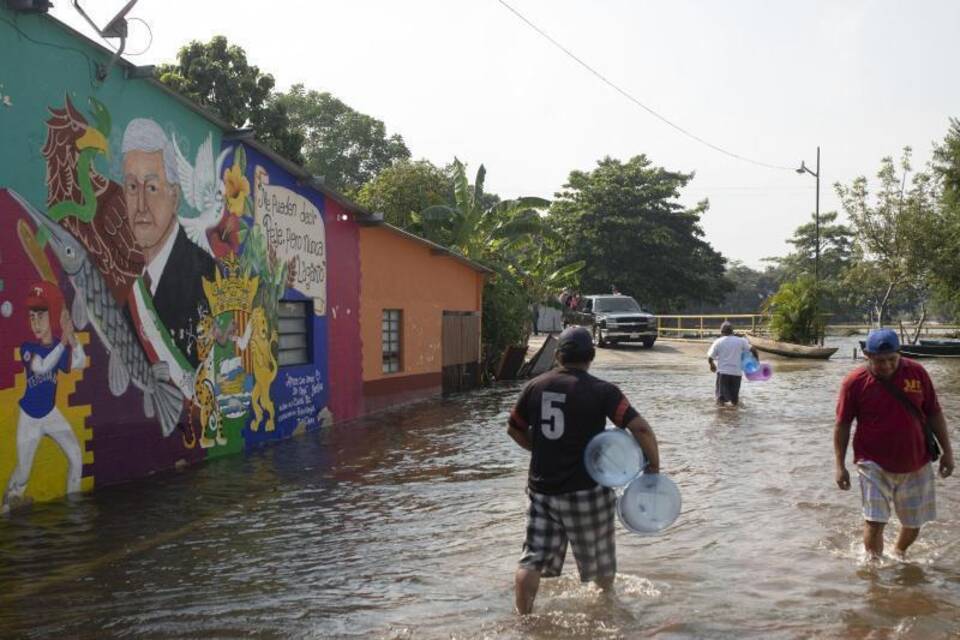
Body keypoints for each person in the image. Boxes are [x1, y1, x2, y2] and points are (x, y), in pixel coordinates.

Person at [507, 326, 661, 614]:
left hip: (541, 490)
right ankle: (603, 615)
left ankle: (523, 620)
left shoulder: (535, 386)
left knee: (532, 559)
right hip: (587, 490)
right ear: (591, 355)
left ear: (558, 356)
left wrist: (538, 449)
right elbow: (638, 427)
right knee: (600, 563)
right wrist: (653, 466)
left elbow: (514, 429)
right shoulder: (603, 391)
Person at [834, 328, 954, 559]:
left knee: (913, 523)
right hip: (873, 462)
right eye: (880, 361)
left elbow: (934, 414)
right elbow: (842, 424)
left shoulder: (917, 373)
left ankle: (898, 553)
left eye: (892, 359)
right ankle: (874, 574)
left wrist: (948, 452)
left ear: (899, 353)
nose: (887, 366)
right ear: (867, 355)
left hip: (917, 459)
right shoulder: (854, 383)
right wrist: (840, 465)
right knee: (874, 521)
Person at [121, 118, 217, 368]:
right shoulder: (125, 278)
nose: (140, 205)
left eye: (151, 188)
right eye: (132, 187)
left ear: (175, 196)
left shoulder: (207, 276)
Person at [3, 282, 86, 512]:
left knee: (76, 456)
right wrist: (63, 342)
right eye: (31, 317)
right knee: (23, 475)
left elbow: (80, 363)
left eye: (40, 315)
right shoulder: (29, 348)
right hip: (29, 418)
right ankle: (7, 507)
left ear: (52, 317)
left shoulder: (58, 350)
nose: (35, 322)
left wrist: (72, 337)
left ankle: (74, 508)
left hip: (50, 414)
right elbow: (41, 368)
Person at [707, 321, 758, 407]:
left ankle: (722, 417)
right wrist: (756, 361)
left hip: (723, 374)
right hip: (736, 374)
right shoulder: (741, 341)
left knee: (720, 399)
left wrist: (712, 364)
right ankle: (734, 417)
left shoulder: (718, 342)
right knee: (735, 400)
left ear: (722, 332)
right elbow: (754, 350)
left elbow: (710, 357)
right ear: (732, 331)